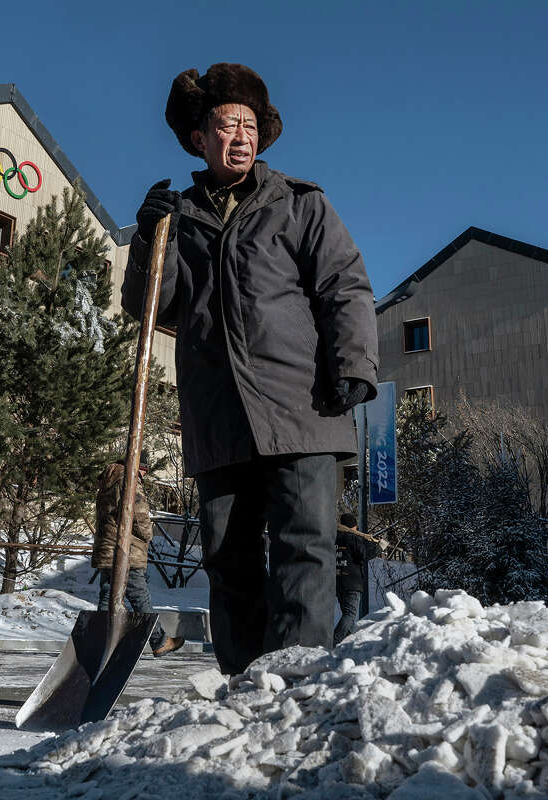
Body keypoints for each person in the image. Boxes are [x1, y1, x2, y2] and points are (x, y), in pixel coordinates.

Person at [121, 63, 379, 674]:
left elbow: (345, 285)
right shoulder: (177, 216)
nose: (240, 136)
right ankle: (243, 683)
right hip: (219, 416)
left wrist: (353, 363)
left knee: (303, 550)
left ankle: (297, 684)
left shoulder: (300, 204)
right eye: (225, 124)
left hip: (304, 408)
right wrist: (148, 238)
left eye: (250, 125)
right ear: (197, 139)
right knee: (227, 557)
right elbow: (153, 305)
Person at [92, 456, 184, 657]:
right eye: (145, 472)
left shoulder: (109, 479)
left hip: (108, 548)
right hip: (127, 550)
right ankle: (159, 641)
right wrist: (148, 534)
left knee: (108, 596)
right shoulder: (129, 478)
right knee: (139, 595)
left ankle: (99, 642)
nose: (144, 476)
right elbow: (138, 512)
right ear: (140, 468)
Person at [333, 512, 382, 644]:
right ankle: (333, 642)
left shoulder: (334, 538)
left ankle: (344, 644)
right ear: (353, 526)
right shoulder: (353, 538)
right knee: (350, 614)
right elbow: (364, 554)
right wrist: (379, 547)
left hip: (338, 581)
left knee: (347, 614)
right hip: (352, 582)